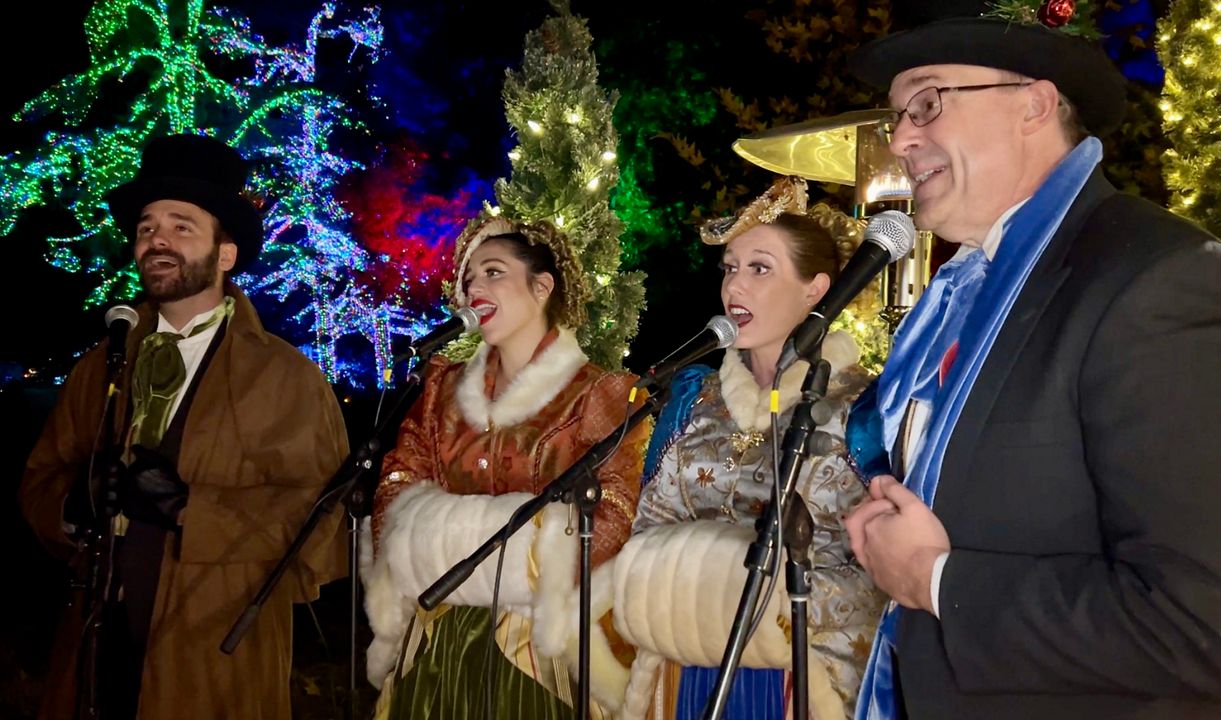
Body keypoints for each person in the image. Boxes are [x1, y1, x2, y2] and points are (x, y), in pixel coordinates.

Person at [840, 2, 1221, 719]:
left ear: (1034, 105)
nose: (900, 138)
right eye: (895, 116)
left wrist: (936, 579)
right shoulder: (959, 298)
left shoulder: (1162, 282)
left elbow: (1208, 633)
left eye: (926, 103)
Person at [18, 133, 349, 720]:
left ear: (225, 254)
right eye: (147, 228)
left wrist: (191, 509)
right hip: (97, 644)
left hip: (212, 654)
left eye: (180, 226)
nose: (157, 241)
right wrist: (74, 503)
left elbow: (324, 521)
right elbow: (42, 478)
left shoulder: (285, 377)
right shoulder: (103, 362)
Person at [607, 176, 889, 720]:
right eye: (730, 268)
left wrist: (734, 590)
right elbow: (648, 527)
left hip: (805, 682)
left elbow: (880, 568)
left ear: (815, 289)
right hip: (686, 668)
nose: (735, 286)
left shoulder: (864, 409)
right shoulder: (694, 402)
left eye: (760, 268)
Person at [361, 215, 650, 719]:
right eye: (468, 276)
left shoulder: (599, 395)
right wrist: (436, 548)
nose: (474, 285)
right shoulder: (440, 391)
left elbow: (620, 511)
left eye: (493, 272)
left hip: (541, 642)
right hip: (439, 630)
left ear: (542, 287)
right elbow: (396, 481)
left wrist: (528, 567)